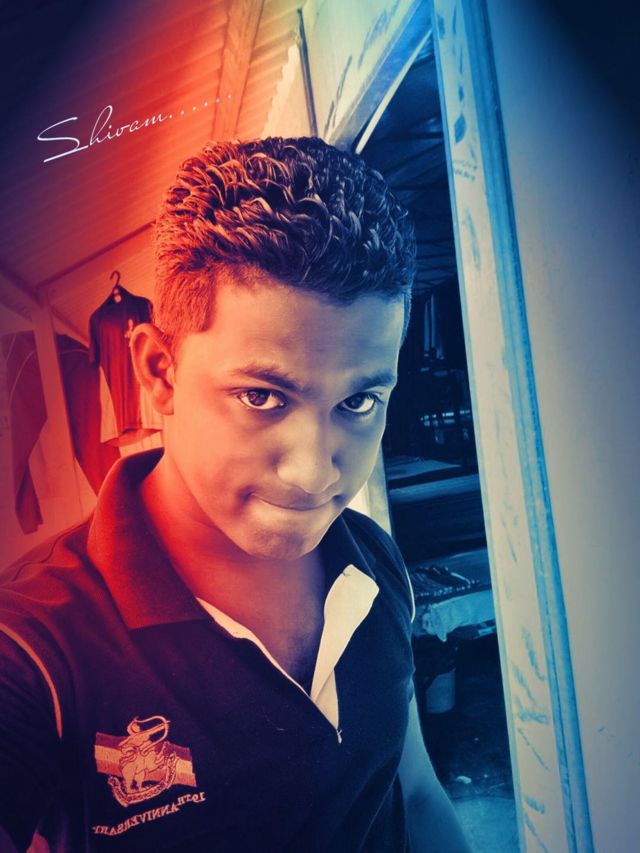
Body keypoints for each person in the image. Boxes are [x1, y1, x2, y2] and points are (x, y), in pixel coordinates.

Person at [0, 137, 470, 852]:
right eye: (262, 395)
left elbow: (414, 794)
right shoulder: (35, 650)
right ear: (158, 372)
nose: (315, 474)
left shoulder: (372, 562)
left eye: (358, 402)